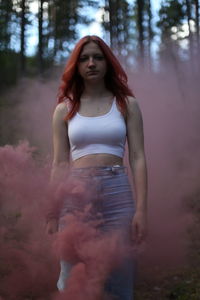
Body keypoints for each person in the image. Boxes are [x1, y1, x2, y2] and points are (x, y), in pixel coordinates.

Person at [46, 35, 148, 299]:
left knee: (120, 273)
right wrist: (52, 211)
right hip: (76, 195)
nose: (91, 63)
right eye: (84, 58)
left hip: (117, 193)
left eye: (98, 57)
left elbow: (138, 157)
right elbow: (59, 163)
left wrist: (141, 210)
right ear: (76, 66)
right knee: (71, 274)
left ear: (108, 63)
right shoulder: (64, 109)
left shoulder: (127, 104)